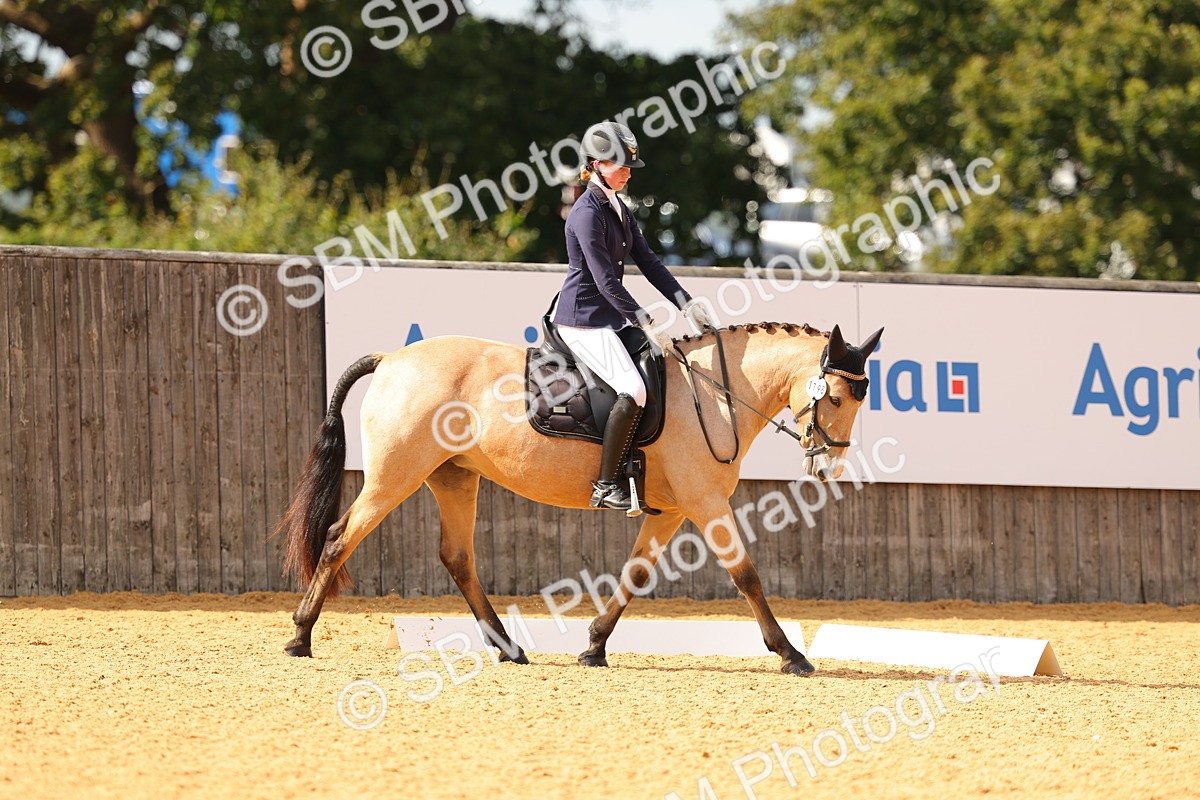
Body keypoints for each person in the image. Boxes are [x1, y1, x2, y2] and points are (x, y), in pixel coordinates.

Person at [550, 120, 714, 515]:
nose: (627, 172)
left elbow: (649, 261)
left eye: (628, 166)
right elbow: (606, 281)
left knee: (662, 372)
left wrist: (686, 303)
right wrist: (642, 319)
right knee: (634, 390)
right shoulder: (587, 212)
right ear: (596, 163)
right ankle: (606, 484)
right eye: (620, 165)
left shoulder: (619, 206)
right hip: (583, 320)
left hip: (610, 317)